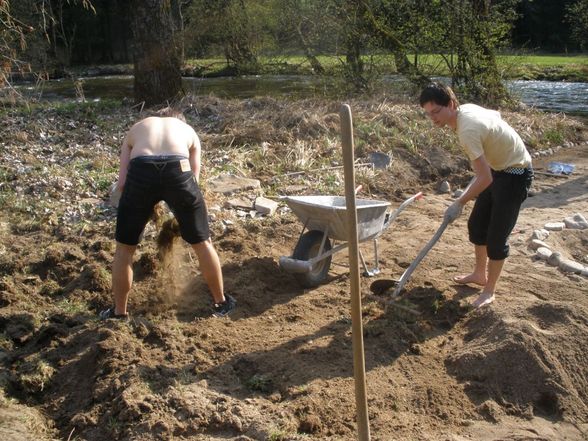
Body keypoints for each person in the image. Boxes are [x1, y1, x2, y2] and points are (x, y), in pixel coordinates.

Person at [100, 108, 236, 319]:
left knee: (124, 250)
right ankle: (221, 303)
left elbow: (123, 183)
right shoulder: (188, 130)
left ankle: (119, 312)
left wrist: (143, 205)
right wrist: (182, 215)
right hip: (178, 168)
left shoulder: (137, 128)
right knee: (203, 243)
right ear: (179, 120)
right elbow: (194, 181)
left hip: (140, 169)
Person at [419, 82, 533, 308]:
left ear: (451, 104)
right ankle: (479, 275)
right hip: (497, 169)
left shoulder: (467, 130)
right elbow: (494, 115)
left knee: (496, 238)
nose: (433, 118)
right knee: (477, 226)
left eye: (436, 111)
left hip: (516, 174)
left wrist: (459, 202)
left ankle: (489, 290)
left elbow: (484, 179)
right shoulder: (467, 110)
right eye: (428, 114)